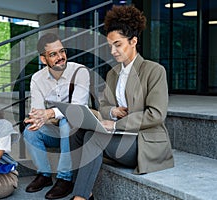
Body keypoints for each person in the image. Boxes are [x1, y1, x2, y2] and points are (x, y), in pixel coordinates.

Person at [70, 5, 174, 200]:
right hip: (118, 136)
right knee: (76, 131)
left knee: (94, 137)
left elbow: (156, 114)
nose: (113, 51)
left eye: (117, 44)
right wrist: (113, 112)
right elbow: (105, 106)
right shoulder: (112, 73)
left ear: (133, 41)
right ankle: (83, 191)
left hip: (143, 142)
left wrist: (117, 124)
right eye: (110, 46)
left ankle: (80, 197)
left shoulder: (154, 71)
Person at [23, 32, 90, 199]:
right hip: (56, 130)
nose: (61, 57)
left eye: (62, 51)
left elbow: (76, 109)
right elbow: (38, 113)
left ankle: (65, 179)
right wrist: (40, 117)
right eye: (53, 54)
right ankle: (44, 175)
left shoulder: (80, 72)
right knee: (30, 130)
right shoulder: (37, 79)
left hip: (77, 132)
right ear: (43, 60)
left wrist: (51, 113)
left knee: (67, 121)